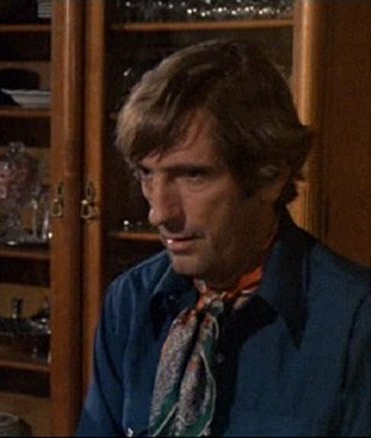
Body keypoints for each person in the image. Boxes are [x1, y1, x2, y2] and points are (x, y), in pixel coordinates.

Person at [77, 39, 371, 436]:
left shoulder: (353, 324)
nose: (159, 213)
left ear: (270, 176)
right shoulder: (132, 303)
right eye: (147, 174)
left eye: (192, 175)